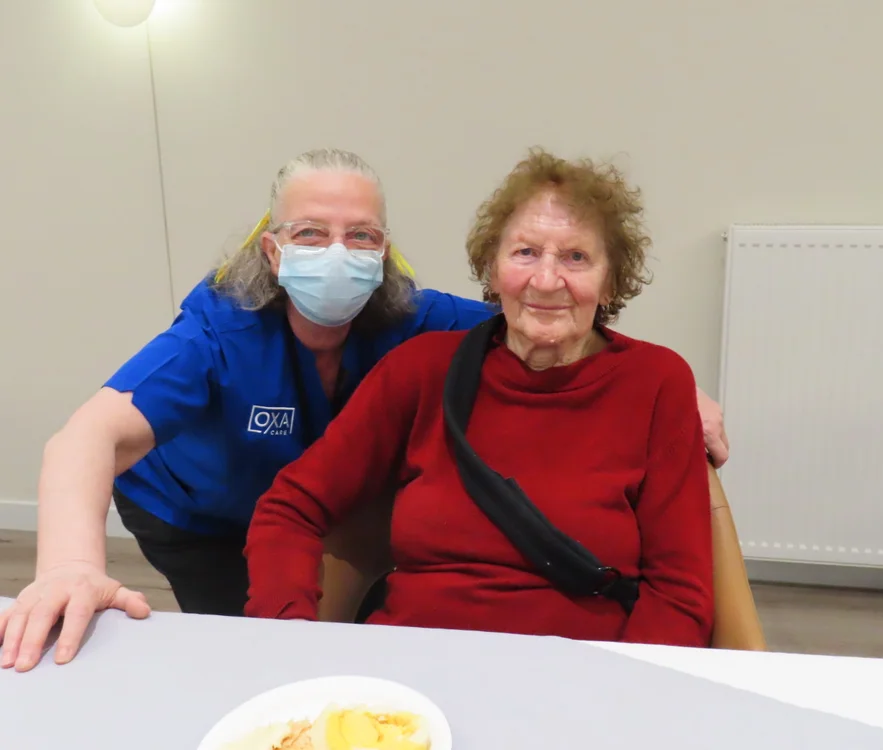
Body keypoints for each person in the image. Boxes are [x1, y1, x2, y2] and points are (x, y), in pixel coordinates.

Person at [0, 147, 728, 672]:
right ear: (274, 251)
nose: (545, 277)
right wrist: (69, 568)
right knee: (227, 648)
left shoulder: (412, 320)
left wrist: (672, 384)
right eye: (310, 233)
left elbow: (554, 328)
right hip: (192, 512)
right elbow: (86, 438)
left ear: (386, 255)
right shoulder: (223, 330)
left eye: (363, 236)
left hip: (578, 668)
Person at [244, 148, 715, 646]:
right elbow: (290, 506)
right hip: (414, 677)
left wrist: (622, 695)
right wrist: (289, 638)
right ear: (492, 271)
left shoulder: (656, 382)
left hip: (579, 683)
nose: (547, 279)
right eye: (525, 252)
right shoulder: (421, 370)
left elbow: (680, 593)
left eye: (576, 257)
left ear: (611, 279)